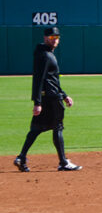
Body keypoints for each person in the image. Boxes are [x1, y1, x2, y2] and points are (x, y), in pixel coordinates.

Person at [13, 27, 81, 172]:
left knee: (36, 128)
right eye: (51, 38)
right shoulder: (45, 55)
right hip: (51, 99)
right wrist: (37, 102)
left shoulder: (44, 53)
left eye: (56, 37)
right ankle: (63, 162)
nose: (55, 40)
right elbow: (38, 79)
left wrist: (64, 95)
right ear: (45, 38)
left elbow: (52, 80)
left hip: (50, 96)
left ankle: (21, 157)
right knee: (57, 128)